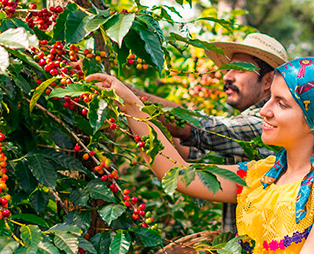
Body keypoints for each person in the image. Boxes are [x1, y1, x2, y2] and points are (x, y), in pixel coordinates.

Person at [92, 57, 314, 253]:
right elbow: (179, 174)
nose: (265, 111)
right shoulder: (264, 174)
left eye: (282, 104)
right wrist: (132, 108)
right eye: (269, 99)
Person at [86, 32, 287, 233]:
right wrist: (139, 113)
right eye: (227, 69)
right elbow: (189, 155)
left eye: (238, 69)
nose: (226, 77)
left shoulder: (266, 126)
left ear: (268, 81)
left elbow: (201, 128)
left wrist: (132, 98)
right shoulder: (244, 142)